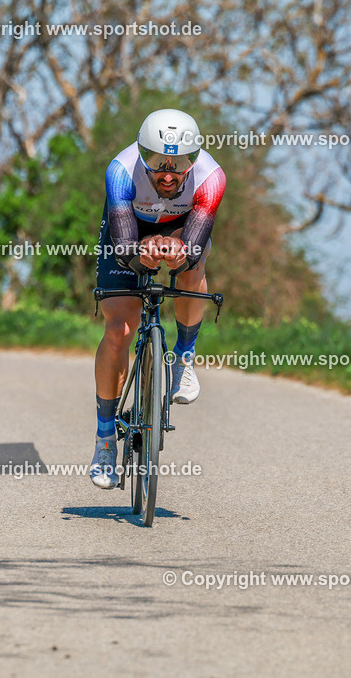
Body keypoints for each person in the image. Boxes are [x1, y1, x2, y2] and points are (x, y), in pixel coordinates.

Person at [90, 109, 226, 489]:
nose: (168, 174)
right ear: (141, 154)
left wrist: (182, 252)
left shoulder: (211, 178)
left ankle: (183, 357)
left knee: (192, 269)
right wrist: (140, 255)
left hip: (182, 227)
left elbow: (195, 245)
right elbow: (122, 246)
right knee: (118, 330)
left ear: (194, 159)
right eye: (157, 162)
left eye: (179, 164)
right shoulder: (121, 171)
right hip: (131, 228)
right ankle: (104, 438)